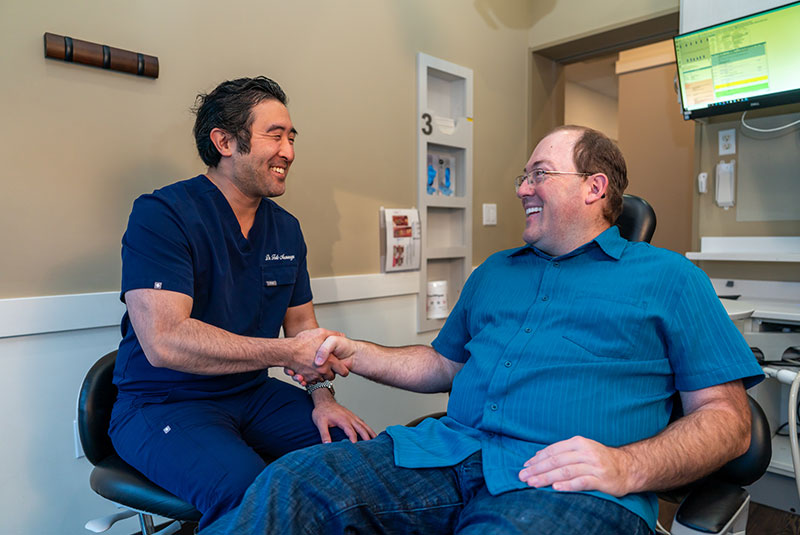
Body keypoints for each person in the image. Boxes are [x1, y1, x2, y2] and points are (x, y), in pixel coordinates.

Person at [201, 125, 763, 535]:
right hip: (446, 453)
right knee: (295, 480)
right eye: (524, 175)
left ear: (594, 188)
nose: (522, 187)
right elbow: (444, 367)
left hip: (564, 485)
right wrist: (356, 350)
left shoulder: (671, 279)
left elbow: (728, 420)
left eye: (539, 174)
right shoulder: (495, 273)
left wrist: (627, 465)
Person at [109, 76, 375, 530]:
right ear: (225, 141)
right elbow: (165, 341)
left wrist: (322, 396)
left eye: (291, 137)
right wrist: (283, 353)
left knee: (358, 460)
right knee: (252, 494)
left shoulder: (286, 229)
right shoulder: (162, 214)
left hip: (251, 395)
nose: (288, 151)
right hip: (162, 404)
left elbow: (303, 334)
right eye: (275, 135)